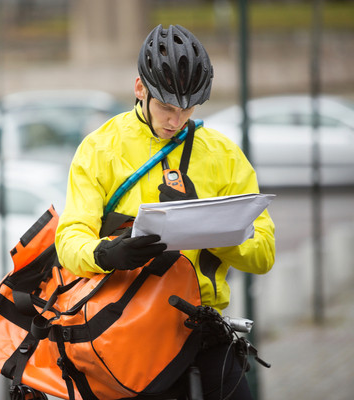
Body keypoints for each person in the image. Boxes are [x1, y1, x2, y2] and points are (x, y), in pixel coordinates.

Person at [54, 24, 275, 399]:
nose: (176, 120)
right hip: (128, 327)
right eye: (167, 107)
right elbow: (69, 240)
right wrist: (106, 253)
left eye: (187, 108)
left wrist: (215, 230)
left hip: (204, 325)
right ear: (140, 89)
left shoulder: (223, 155)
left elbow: (264, 255)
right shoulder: (100, 149)